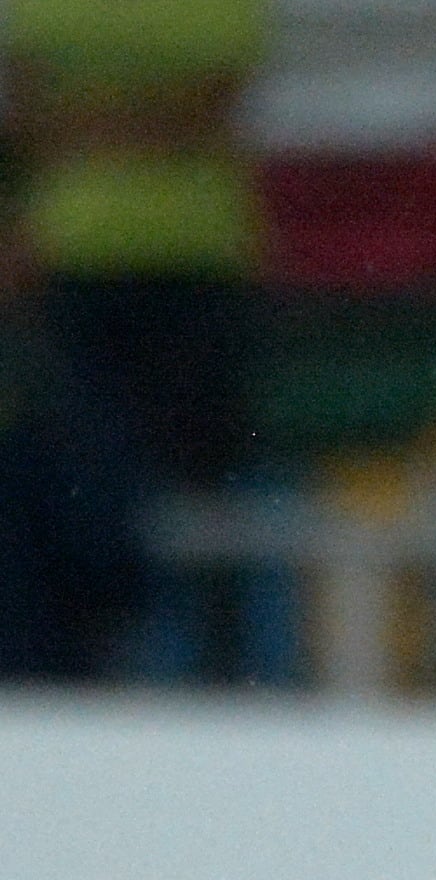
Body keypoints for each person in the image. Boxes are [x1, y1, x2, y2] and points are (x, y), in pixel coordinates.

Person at [2, 0, 266, 678]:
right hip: (87, 262)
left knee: (197, 476)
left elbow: (215, 102)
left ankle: (213, 662)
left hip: (182, 264)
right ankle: (96, 651)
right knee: (87, 473)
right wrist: (149, 124)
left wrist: (87, 128)